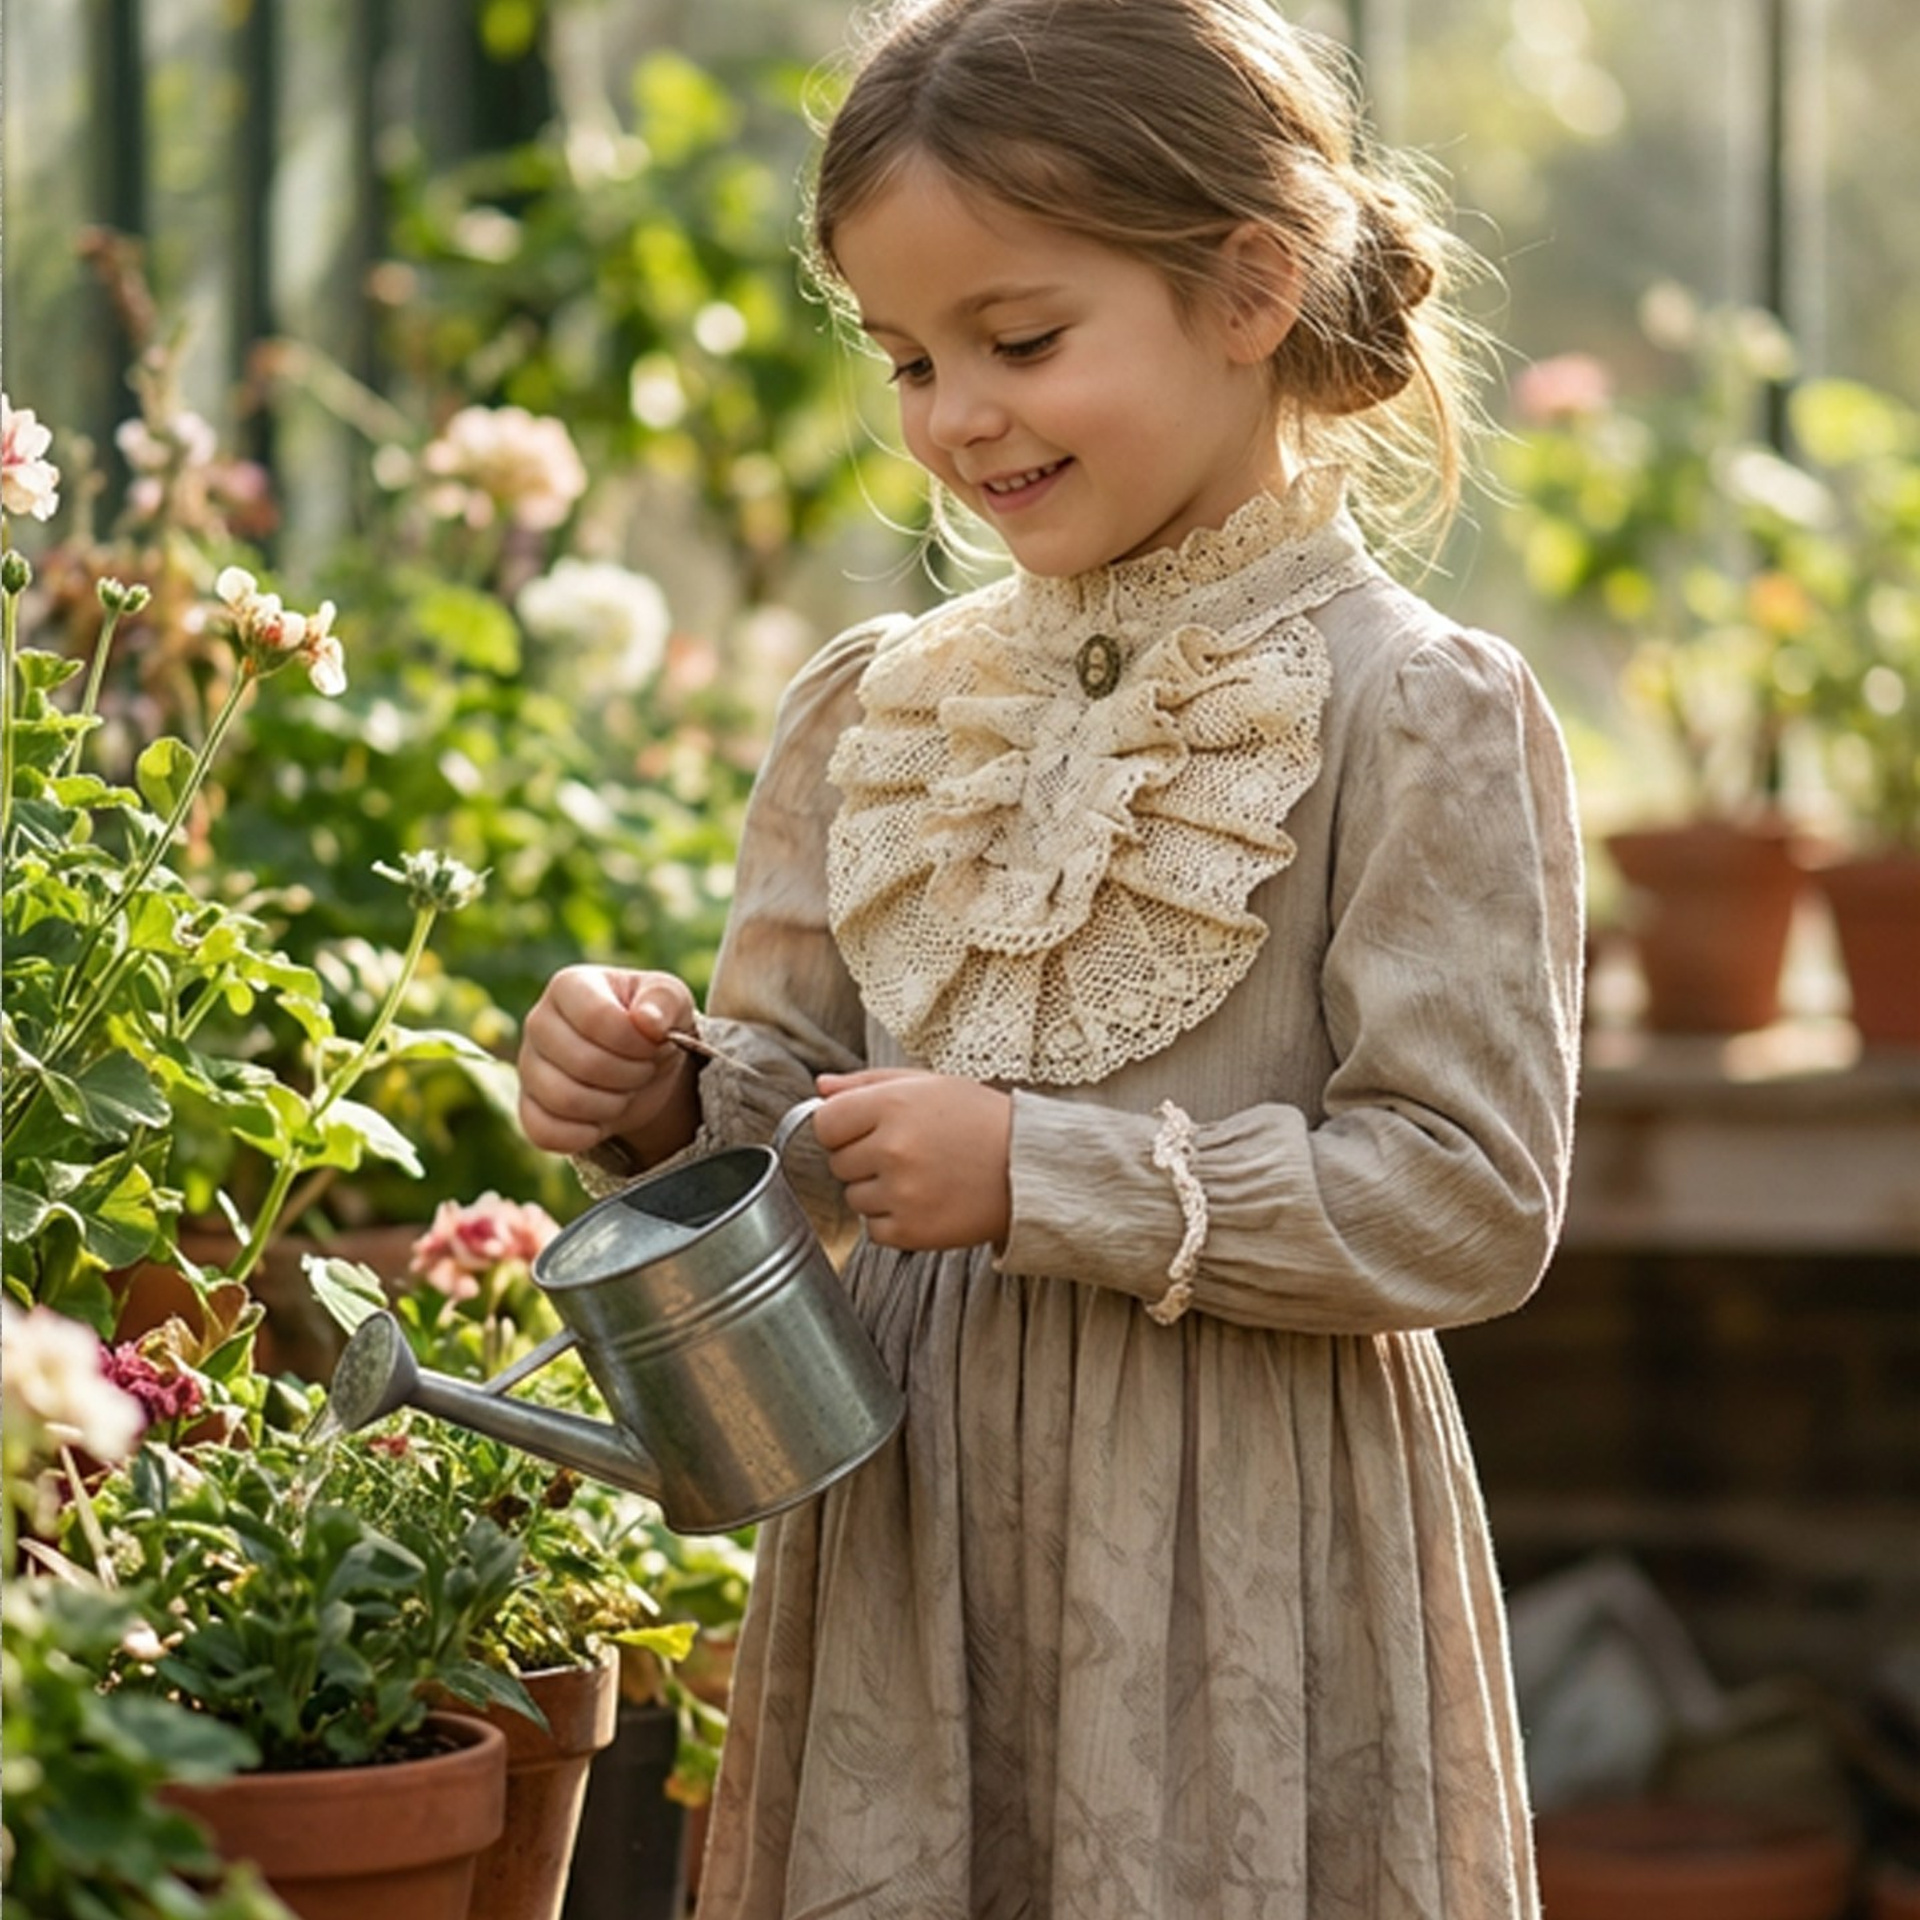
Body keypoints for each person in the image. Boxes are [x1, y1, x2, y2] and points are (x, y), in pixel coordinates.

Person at [517, 0, 1584, 1911]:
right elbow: (792, 1130)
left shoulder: (1408, 711)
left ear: (1252, 288)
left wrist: (1041, 1173)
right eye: (910, 357)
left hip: (1238, 1555)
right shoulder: (878, 706)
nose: (954, 416)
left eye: (1020, 340)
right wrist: (663, 1091)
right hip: (907, 1545)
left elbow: (1468, 1204)